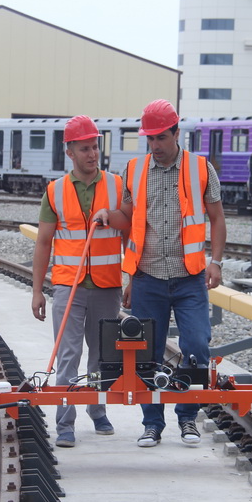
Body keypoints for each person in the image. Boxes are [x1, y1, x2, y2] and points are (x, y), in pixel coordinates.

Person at [93, 99, 226, 448]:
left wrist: (217, 261)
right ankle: (152, 423)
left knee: (196, 346)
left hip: (189, 277)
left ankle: (187, 418)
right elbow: (127, 217)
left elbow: (217, 218)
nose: (156, 145)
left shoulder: (200, 168)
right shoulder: (135, 171)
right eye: (150, 139)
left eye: (161, 138)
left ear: (177, 133)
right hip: (148, 277)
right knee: (145, 354)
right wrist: (109, 215)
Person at [31, 115, 125, 448]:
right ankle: (65, 421)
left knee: (101, 354)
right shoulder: (54, 192)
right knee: (68, 354)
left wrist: (130, 278)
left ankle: (97, 410)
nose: (92, 154)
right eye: (84, 148)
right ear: (69, 151)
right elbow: (43, 243)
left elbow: (130, 230)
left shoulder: (116, 186)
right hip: (68, 286)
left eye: (95, 146)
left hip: (107, 285)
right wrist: (37, 291)